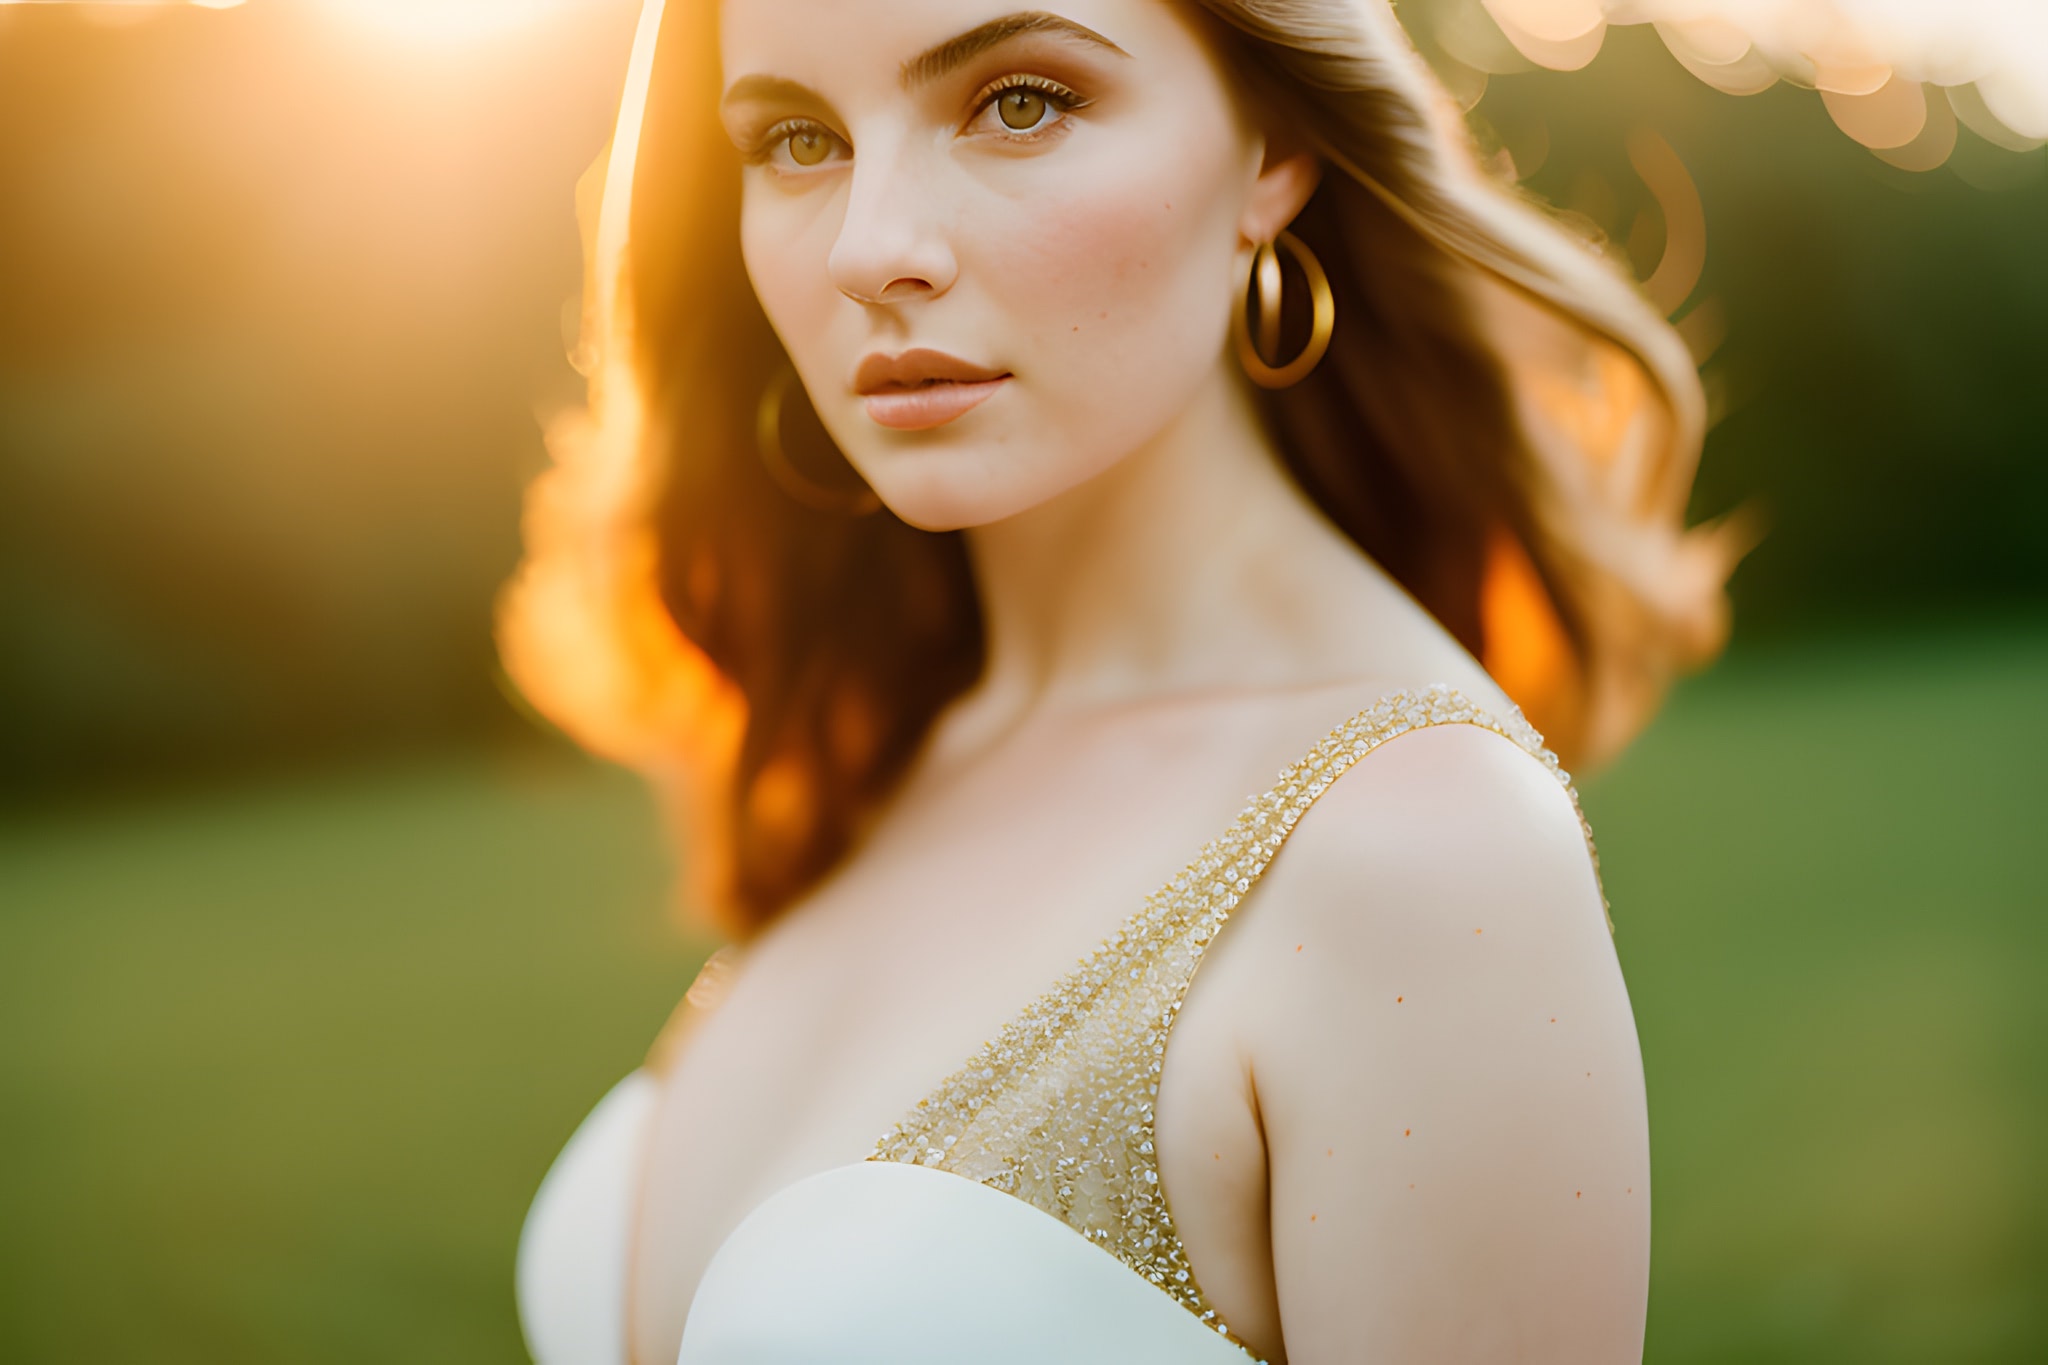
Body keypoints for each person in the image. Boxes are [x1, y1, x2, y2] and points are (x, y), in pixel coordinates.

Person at [508, 1, 1738, 1360]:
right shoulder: (891, 738)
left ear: (1272, 146)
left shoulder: (1423, 852)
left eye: (1019, 103)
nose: (869, 248)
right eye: (799, 138)